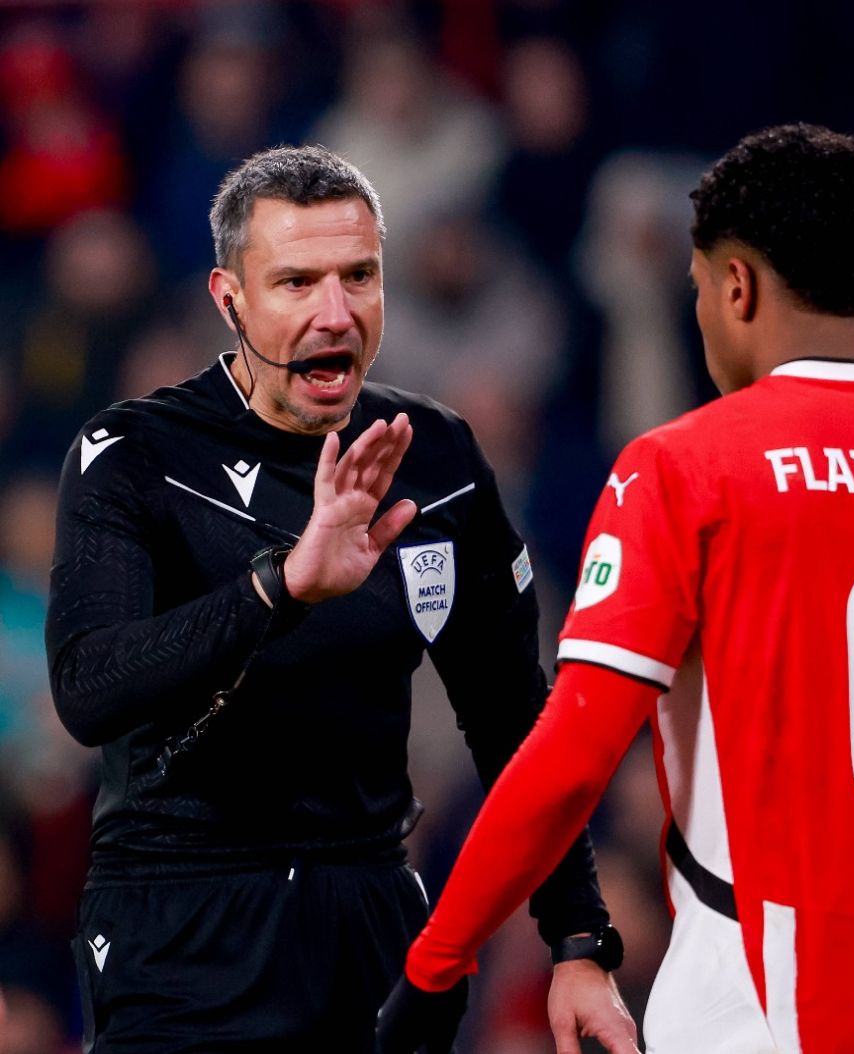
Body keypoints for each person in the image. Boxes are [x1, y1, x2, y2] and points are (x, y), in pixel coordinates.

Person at [376, 123, 854, 1053]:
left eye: (699, 290)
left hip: (757, 1005)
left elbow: (570, 758)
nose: (702, 315)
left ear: (736, 286)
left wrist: (434, 966)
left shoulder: (683, 470)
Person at [44, 144, 635, 1054]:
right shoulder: (135, 455)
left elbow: (514, 719)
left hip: (372, 923)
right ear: (228, 299)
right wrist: (280, 586)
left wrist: (579, 940)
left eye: (360, 275)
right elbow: (90, 688)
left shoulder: (433, 457)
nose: (336, 313)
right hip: (180, 924)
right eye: (297, 282)